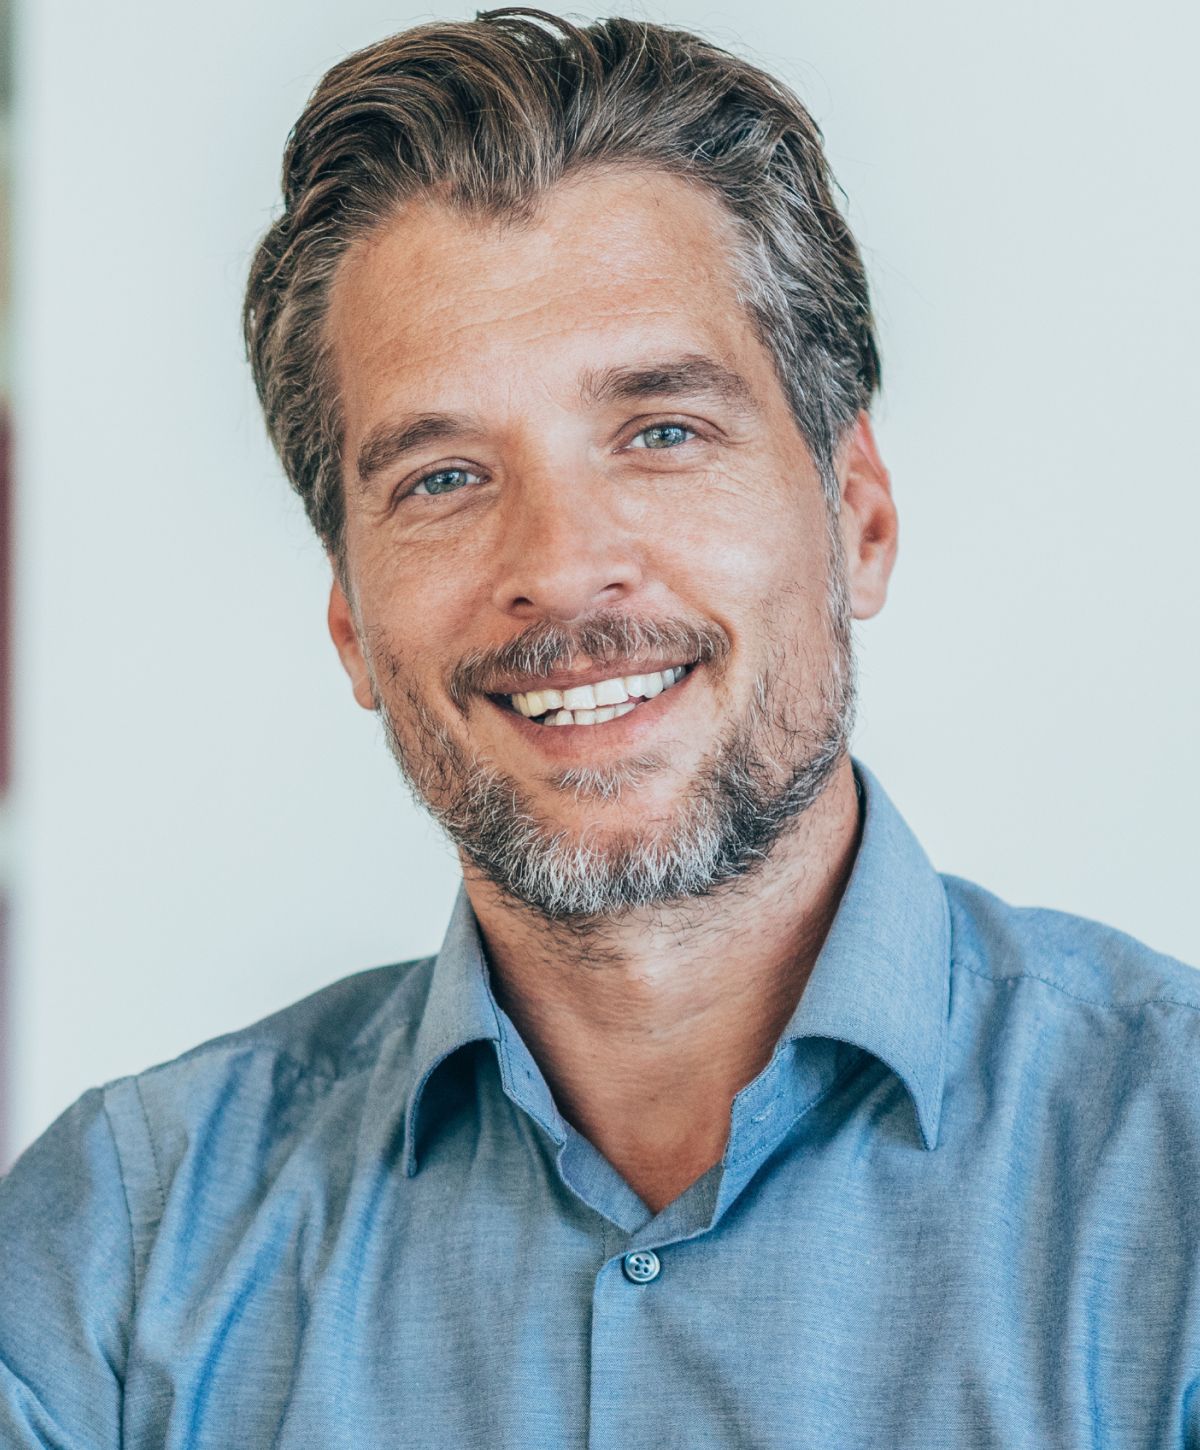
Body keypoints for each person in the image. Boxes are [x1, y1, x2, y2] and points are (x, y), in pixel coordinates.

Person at [2, 8, 1198, 1446]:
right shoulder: (118, 1257)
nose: (562, 565)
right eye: (443, 476)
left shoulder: (1177, 1167)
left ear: (858, 517)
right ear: (351, 629)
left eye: (662, 432)